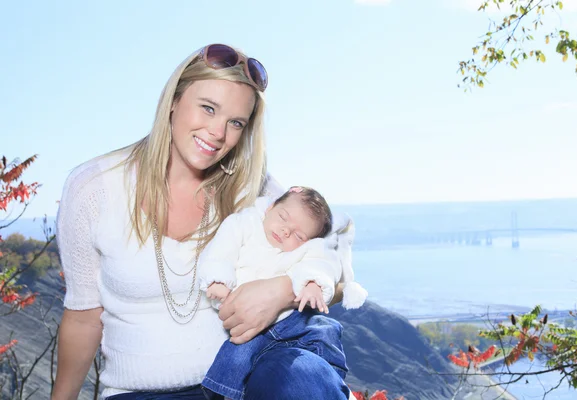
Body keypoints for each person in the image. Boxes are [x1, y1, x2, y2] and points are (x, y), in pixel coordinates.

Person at [52, 43, 355, 400]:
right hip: (138, 392)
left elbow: (340, 276)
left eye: (235, 123)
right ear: (175, 100)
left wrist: (283, 290)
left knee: (301, 375)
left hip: (246, 378)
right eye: (208, 108)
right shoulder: (94, 188)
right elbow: (84, 316)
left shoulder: (255, 192)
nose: (217, 132)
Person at [198, 185, 368, 400]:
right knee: (236, 354)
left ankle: (331, 380)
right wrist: (217, 279)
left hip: (293, 319)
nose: (286, 230)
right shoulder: (244, 224)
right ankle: (226, 393)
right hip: (249, 327)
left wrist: (313, 284)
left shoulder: (307, 247)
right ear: (269, 207)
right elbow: (220, 253)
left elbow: (321, 264)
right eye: (283, 217)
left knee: (321, 336)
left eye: (298, 235)